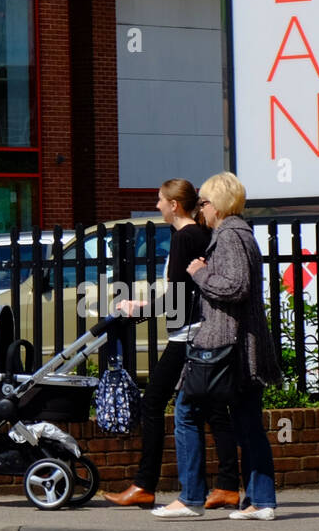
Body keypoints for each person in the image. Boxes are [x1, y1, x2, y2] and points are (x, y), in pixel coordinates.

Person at [102, 179, 240, 509]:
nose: (157, 206)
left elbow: (177, 298)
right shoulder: (202, 234)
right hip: (200, 329)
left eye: (160, 200)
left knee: (152, 402)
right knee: (213, 408)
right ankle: (227, 484)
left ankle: (145, 484)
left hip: (188, 334)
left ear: (174, 205)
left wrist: (139, 309)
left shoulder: (184, 237)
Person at [154, 171, 281, 520]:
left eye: (206, 203)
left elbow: (235, 287)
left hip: (227, 346)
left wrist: (199, 273)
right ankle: (261, 501)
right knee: (247, 423)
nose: (202, 210)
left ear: (219, 205)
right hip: (241, 347)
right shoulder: (238, 235)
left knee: (186, 412)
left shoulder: (229, 236)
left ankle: (191, 497)